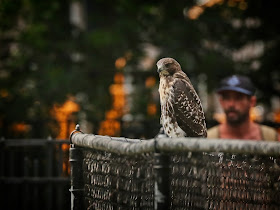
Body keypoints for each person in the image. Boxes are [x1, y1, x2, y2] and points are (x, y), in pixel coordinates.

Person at [208, 75, 280, 141]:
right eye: (227, 98)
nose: (231, 104)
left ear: (252, 101)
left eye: (238, 98)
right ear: (221, 102)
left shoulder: (271, 137)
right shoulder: (209, 139)